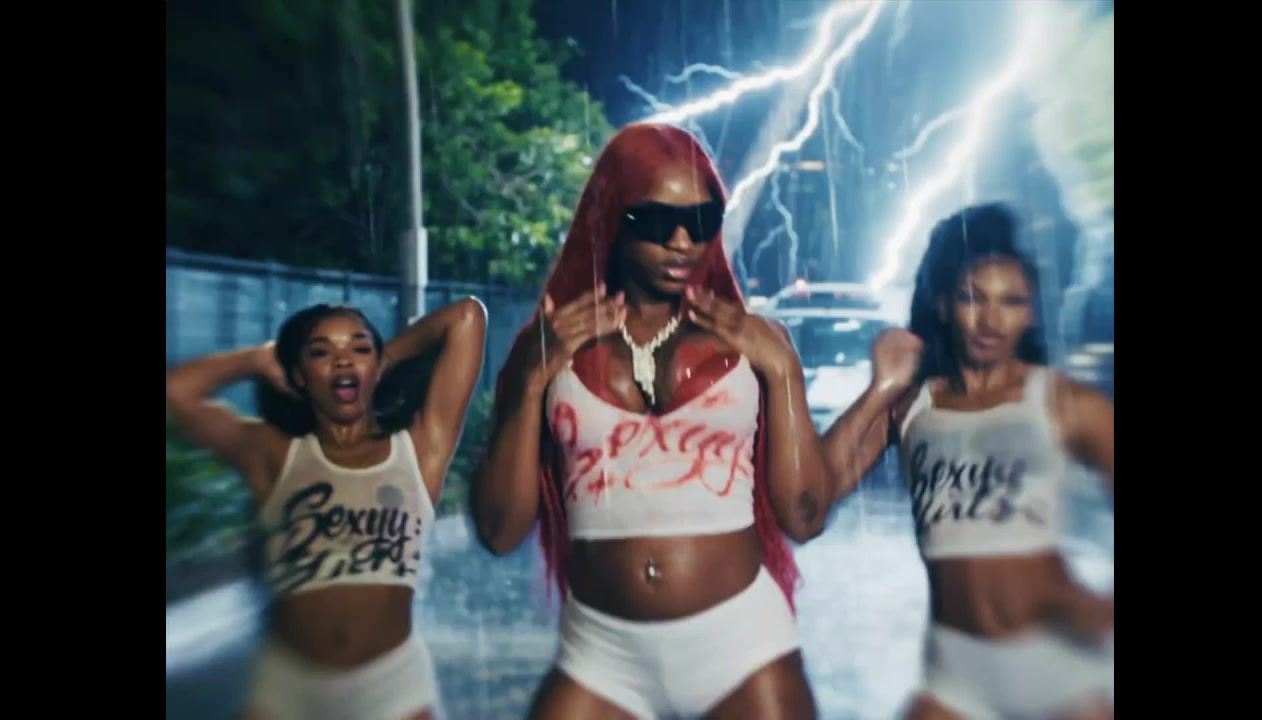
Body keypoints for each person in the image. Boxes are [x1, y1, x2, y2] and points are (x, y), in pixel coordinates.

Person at [471, 123, 832, 720]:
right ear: (611, 218)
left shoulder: (754, 346)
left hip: (742, 643)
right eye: (658, 221)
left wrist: (785, 373)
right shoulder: (547, 349)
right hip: (601, 652)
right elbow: (499, 531)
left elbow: (805, 517)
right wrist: (530, 380)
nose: (683, 241)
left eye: (702, 220)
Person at [821, 203, 1114, 719]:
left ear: (1030, 311)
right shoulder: (911, 407)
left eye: (1012, 301)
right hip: (954, 672)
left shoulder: (1065, 402)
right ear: (943, 303)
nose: (991, 320)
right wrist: (879, 389)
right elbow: (808, 505)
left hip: (1057, 667)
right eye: (972, 297)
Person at [165, 298, 487, 720]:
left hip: (391, 685)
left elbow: (466, 317)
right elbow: (177, 391)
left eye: (358, 347)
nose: (343, 360)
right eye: (321, 352)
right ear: (298, 376)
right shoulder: (273, 453)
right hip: (287, 687)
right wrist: (257, 359)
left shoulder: (419, 450)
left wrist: (380, 360)